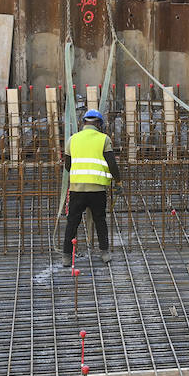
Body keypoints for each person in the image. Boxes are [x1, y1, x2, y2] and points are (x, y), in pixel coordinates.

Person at [63, 109, 121, 263]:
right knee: (100, 220)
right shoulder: (104, 139)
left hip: (77, 189)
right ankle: (104, 253)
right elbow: (112, 163)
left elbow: (67, 165)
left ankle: (67, 256)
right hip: (97, 189)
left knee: (72, 222)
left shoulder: (72, 139)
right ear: (98, 124)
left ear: (84, 123)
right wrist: (118, 181)